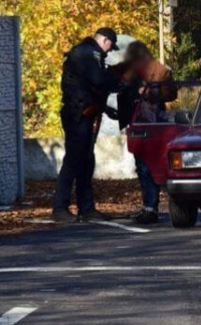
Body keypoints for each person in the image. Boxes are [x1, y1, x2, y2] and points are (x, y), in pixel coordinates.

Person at [52, 27, 121, 223]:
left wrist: (106, 109)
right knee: (74, 160)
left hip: (84, 112)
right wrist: (116, 79)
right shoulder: (89, 53)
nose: (109, 52)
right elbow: (98, 80)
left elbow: (89, 86)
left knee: (86, 160)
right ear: (105, 41)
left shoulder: (84, 53)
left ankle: (87, 207)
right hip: (78, 114)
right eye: (109, 47)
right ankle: (60, 208)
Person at [117, 41, 177, 224]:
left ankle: (151, 206)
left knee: (147, 166)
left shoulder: (157, 71)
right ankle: (150, 206)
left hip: (148, 123)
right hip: (147, 122)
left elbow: (170, 93)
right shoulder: (151, 70)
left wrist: (150, 93)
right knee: (146, 166)